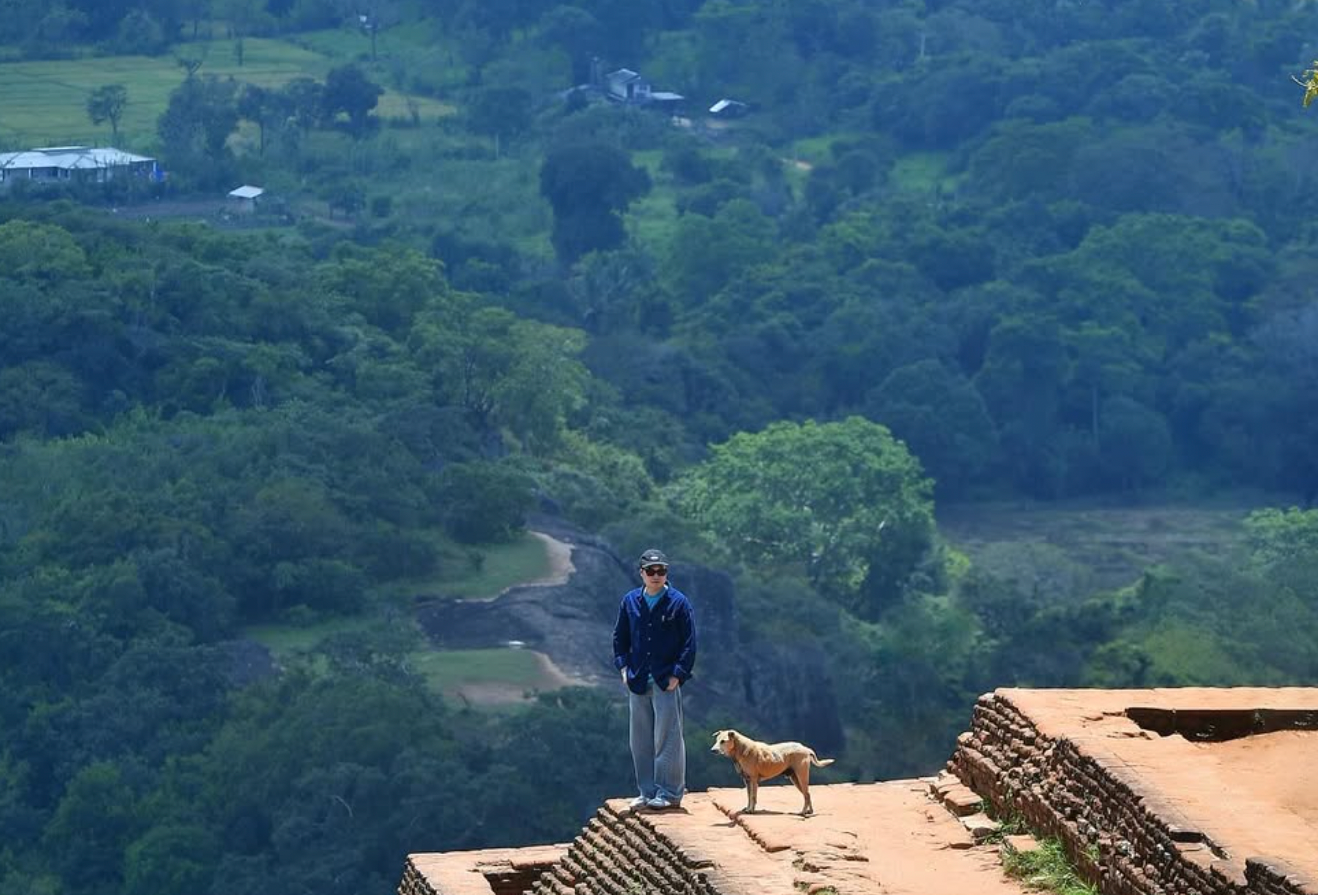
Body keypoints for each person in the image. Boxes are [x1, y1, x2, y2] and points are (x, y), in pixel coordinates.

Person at [613, 548, 697, 810]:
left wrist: (678, 674)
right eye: (651, 571)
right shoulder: (630, 602)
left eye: (661, 570)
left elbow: (689, 642)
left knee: (667, 738)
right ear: (641, 573)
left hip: (665, 680)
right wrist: (624, 669)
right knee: (639, 739)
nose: (656, 575)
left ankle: (669, 792)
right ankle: (647, 791)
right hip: (638, 680)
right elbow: (620, 639)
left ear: (666, 573)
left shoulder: (678, 602)